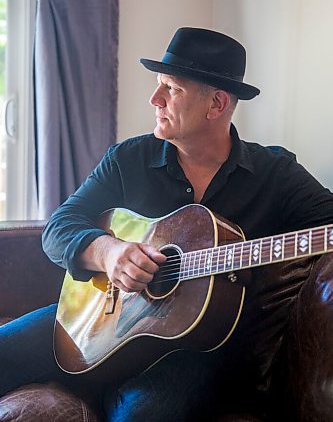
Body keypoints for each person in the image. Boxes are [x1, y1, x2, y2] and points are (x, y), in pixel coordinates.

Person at [1, 27, 333, 421]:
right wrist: (108, 251)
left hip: (192, 352)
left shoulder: (274, 175)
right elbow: (59, 227)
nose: (154, 99)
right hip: (96, 324)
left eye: (171, 89)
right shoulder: (129, 159)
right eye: (159, 85)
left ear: (217, 103)